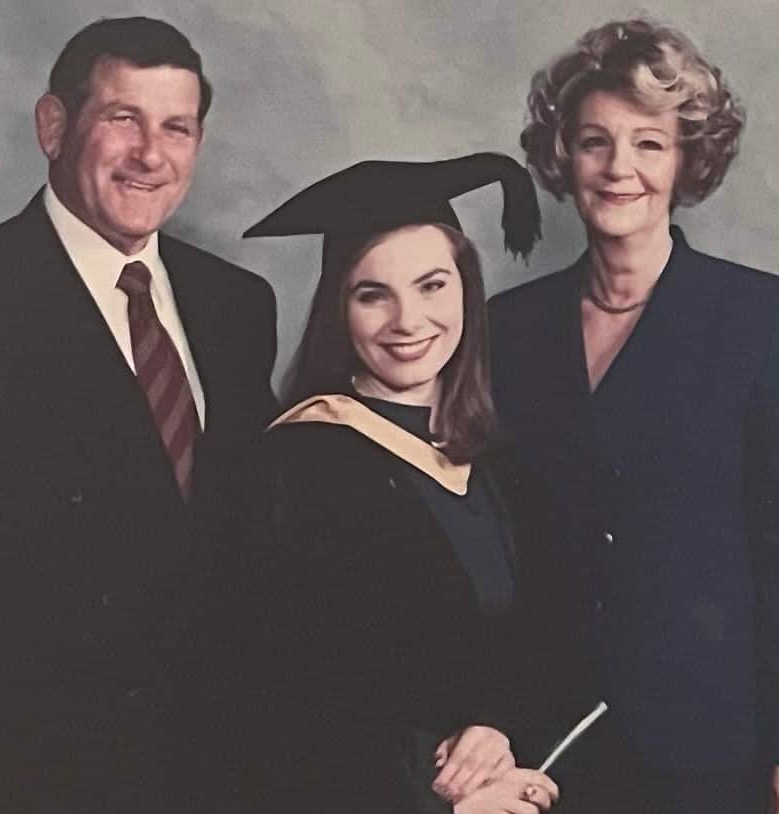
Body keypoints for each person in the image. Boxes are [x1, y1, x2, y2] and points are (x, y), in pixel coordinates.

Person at [0, 16, 277, 814]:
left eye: (175, 127)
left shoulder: (236, 306)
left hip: (216, 773)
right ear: (53, 126)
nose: (152, 154)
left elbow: (250, 548)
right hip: (27, 778)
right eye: (123, 119)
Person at [489, 18, 779, 814]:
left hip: (712, 740)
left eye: (649, 143)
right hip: (545, 736)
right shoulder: (507, 328)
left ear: (686, 161)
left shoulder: (762, 317)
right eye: (595, 142)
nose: (620, 169)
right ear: (562, 157)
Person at [240, 153, 586, 813]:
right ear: (339, 308)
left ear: (466, 291)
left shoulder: (495, 466)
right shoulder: (298, 466)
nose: (408, 321)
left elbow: (522, 651)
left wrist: (498, 728)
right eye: (374, 294)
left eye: (432, 286)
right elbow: (286, 711)